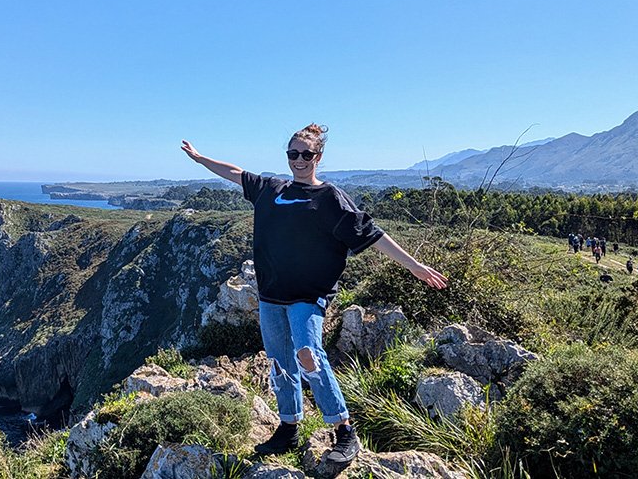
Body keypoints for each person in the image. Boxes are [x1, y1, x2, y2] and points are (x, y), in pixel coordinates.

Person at [181, 124, 447, 464]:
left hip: (309, 296)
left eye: (306, 154)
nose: (299, 160)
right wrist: (201, 159)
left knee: (309, 354)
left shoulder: (330, 198)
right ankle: (289, 426)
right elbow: (235, 173)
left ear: (318, 157)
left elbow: (373, 234)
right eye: (293, 154)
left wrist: (414, 266)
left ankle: (344, 430)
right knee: (279, 362)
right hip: (271, 295)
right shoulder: (271, 189)